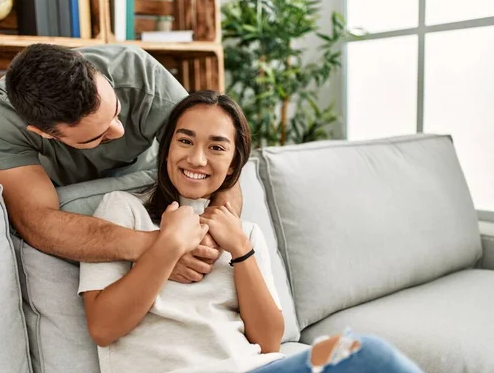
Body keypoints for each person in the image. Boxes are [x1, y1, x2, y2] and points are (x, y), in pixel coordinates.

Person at [78, 91, 424, 373]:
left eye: (216, 147)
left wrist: (241, 249)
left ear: (233, 163)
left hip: (256, 368)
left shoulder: (243, 233)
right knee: (368, 354)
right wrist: (168, 244)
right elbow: (104, 328)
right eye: (185, 141)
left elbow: (269, 342)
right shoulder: (123, 210)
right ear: (167, 147)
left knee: (359, 357)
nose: (197, 159)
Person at [0, 43, 239, 282]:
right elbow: (35, 221)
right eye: (98, 136)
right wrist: (160, 250)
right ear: (44, 133)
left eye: (115, 112)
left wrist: (210, 239)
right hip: (72, 202)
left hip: (150, 183)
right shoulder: (2, 118)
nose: (119, 131)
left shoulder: (140, 73)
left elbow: (224, 167)